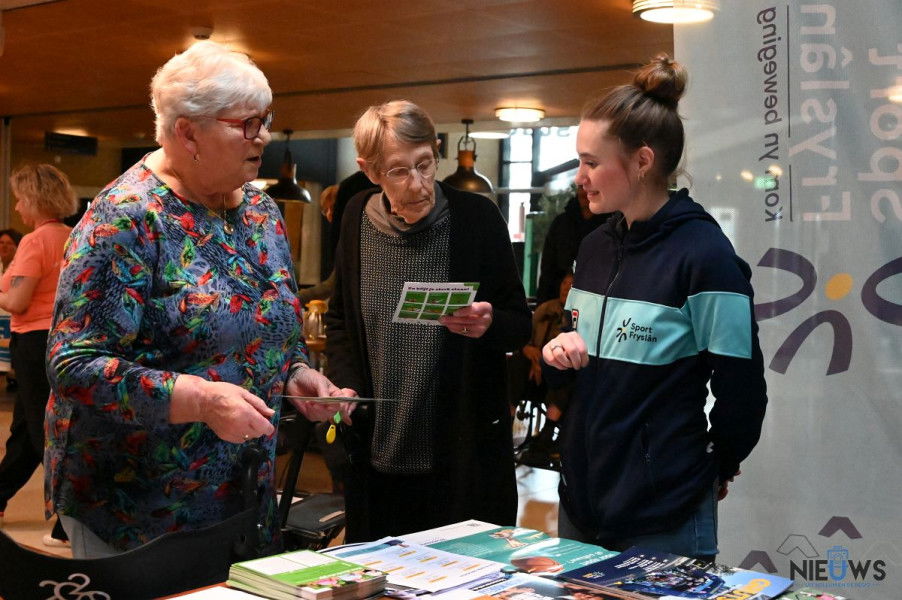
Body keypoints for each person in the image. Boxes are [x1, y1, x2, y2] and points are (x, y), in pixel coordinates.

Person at [44, 40, 352, 558]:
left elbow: (269, 329)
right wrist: (201, 401)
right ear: (187, 132)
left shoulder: (260, 212)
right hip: (139, 504)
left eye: (266, 120)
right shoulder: (127, 216)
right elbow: (75, 366)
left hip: (243, 492)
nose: (263, 136)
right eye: (246, 124)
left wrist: (296, 375)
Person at [542, 54, 767, 560]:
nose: (579, 177)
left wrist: (712, 466)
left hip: (664, 515)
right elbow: (577, 370)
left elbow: (743, 389)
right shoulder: (595, 247)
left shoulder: (704, 257)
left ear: (642, 161)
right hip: (580, 503)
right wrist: (558, 356)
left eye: (591, 162)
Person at [311, 100, 531, 541]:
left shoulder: (477, 219)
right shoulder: (355, 218)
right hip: (377, 455)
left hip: (460, 459)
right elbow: (340, 320)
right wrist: (346, 384)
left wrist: (490, 323)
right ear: (370, 171)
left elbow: (519, 324)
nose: (417, 184)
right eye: (398, 171)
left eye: (425, 164)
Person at [0, 165, 77, 547]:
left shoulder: (34, 241)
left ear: (34, 199)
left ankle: (71, 523)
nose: (17, 207)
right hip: (60, 340)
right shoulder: (72, 235)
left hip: (33, 343)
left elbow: (17, 301)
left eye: (20, 199)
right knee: (27, 431)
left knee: (41, 433)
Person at [513, 272, 574, 468]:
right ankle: (506, 419)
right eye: (564, 283)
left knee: (566, 370)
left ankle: (548, 432)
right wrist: (530, 352)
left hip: (559, 371)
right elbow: (525, 337)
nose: (566, 287)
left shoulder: (577, 314)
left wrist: (545, 363)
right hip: (534, 368)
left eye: (571, 284)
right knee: (516, 362)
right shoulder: (545, 309)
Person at [534, 185, 610, 304]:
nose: (584, 191)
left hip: (598, 300)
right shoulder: (561, 224)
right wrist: (543, 304)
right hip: (559, 301)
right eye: (581, 187)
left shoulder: (612, 225)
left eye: (590, 186)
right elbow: (548, 270)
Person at [0, 229, 23, 390]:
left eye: (9, 243)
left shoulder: (21, 267)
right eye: (1, 243)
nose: (4, 246)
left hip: (14, 318)